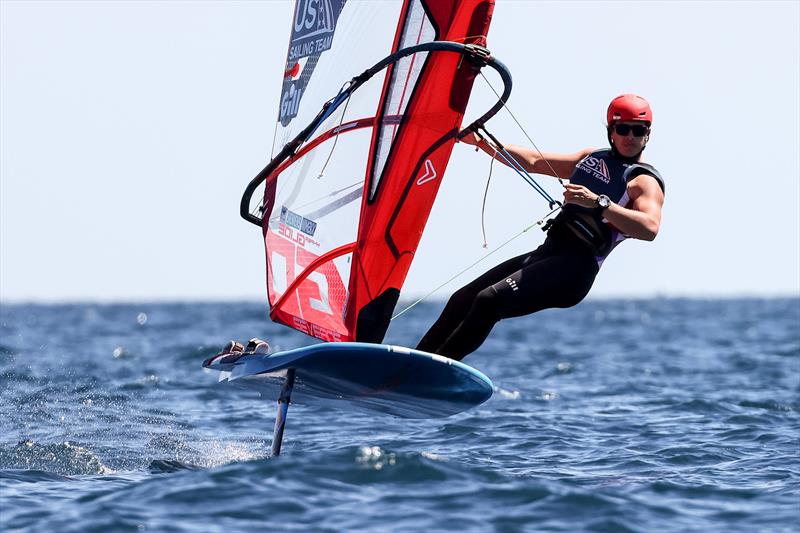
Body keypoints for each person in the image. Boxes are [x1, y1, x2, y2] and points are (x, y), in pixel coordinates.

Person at [415, 94, 665, 361]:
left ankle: (431, 374)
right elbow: (533, 160)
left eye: (638, 130)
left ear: (647, 134)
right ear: (610, 132)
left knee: (489, 301)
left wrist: (599, 203)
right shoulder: (591, 158)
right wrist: (480, 142)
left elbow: (649, 228)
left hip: (575, 269)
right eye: (622, 129)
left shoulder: (643, 181)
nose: (630, 136)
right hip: (547, 253)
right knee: (462, 300)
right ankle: (405, 370)